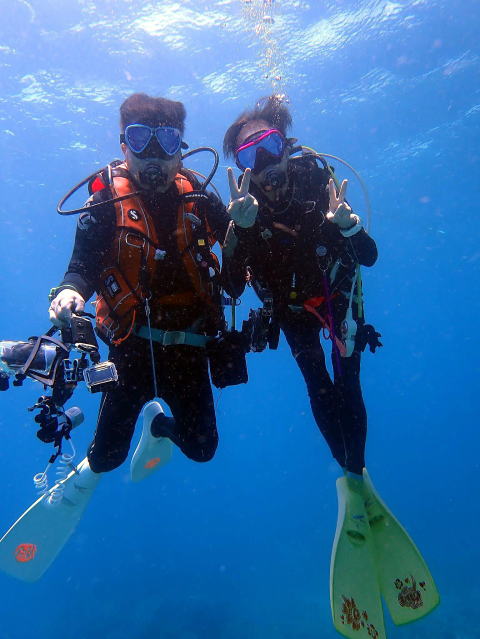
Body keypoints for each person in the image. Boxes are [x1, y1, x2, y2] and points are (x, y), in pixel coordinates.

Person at [221, 95, 439, 638]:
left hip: (337, 296)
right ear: (242, 168)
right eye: (249, 157)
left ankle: (354, 472)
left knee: (349, 379)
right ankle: (352, 476)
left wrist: (349, 227)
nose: (264, 165)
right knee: (316, 381)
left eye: (269, 146)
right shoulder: (243, 209)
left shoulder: (318, 180)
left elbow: (368, 256)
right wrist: (238, 232)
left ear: (285, 145)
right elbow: (230, 287)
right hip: (290, 311)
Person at [0, 93, 236, 582]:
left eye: (166, 141)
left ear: (181, 147)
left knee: (203, 449)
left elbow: (237, 270)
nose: (154, 155)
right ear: (123, 146)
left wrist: (245, 230)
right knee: (106, 457)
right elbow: (81, 267)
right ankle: (83, 471)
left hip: (191, 349)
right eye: (140, 140)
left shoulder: (200, 197)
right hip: (132, 348)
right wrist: (69, 292)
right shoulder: (105, 201)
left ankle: (158, 427)